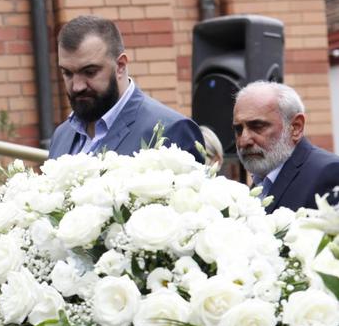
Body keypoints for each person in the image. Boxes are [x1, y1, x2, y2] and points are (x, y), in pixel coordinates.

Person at [48, 14, 203, 161]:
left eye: (90, 72)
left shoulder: (173, 131)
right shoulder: (62, 135)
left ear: (120, 66)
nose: (77, 87)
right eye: (67, 73)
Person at [233, 80, 339, 212]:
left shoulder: (329, 174)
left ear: (295, 127)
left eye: (257, 126)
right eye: (238, 129)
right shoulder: (260, 182)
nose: (244, 141)